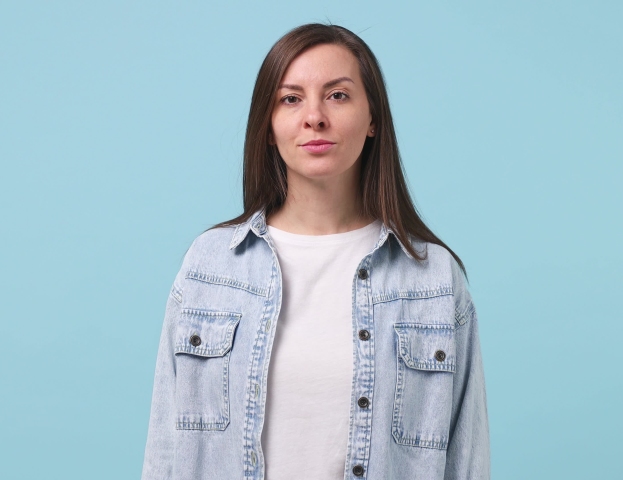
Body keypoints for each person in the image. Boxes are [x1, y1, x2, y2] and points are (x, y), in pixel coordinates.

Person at [141, 23, 489, 480]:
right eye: (291, 98)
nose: (314, 117)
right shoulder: (210, 266)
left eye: (338, 95)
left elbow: (467, 462)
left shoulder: (433, 279)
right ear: (268, 126)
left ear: (373, 120)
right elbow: (167, 450)